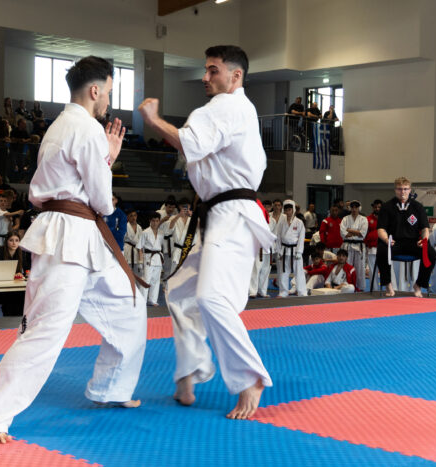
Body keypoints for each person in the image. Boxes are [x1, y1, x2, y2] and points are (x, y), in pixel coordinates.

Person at [0, 56, 146, 444]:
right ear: (95, 90)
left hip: (79, 236)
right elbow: (102, 199)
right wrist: (108, 159)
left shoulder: (61, 126)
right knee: (46, 330)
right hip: (68, 235)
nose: (108, 100)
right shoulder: (86, 129)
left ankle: (111, 387)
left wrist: (104, 158)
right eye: (109, 92)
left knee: (129, 303)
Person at [138, 45, 275, 419]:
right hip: (219, 212)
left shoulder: (226, 105)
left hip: (232, 214)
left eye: (213, 70)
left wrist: (153, 120)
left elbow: (190, 142)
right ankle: (190, 371)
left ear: (235, 76)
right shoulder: (233, 109)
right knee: (180, 292)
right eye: (206, 70)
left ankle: (249, 378)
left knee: (212, 297)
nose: (205, 77)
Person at [376, 177, 436, 297]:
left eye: (405, 189)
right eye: (399, 189)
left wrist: (424, 240)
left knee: (431, 254)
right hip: (394, 242)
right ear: (395, 190)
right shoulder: (387, 207)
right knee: (382, 251)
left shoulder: (418, 207)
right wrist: (387, 240)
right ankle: (388, 285)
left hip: (414, 243)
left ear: (410, 190)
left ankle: (419, 285)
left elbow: (425, 228)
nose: (402, 192)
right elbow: (381, 229)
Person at [0, 231, 30, 316]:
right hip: (2, 286)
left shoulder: (21, 252)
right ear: (6, 241)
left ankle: (18, 318)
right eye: (11, 240)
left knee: (22, 294)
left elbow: (26, 268)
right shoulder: (0, 252)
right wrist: (13, 275)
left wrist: (24, 274)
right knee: (12, 297)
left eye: (17, 240)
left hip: (16, 285)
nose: (14, 243)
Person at [276, 200, 306, 297]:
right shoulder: (281, 222)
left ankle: (302, 292)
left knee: (299, 272)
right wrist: (279, 251)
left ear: (293, 210)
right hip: (284, 250)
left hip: (295, 250)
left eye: (289, 210)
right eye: (286, 210)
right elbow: (278, 237)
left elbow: (301, 238)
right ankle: (283, 292)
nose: (288, 212)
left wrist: (299, 251)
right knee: (283, 272)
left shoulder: (299, 222)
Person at [137, 211, 164, 306]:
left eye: (157, 221)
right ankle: (142, 300)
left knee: (156, 280)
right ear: (150, 221)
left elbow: (161, 247)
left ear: (159, 221)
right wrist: (140, 261)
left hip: (158, 258)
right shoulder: (145, 232)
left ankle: (152, 300)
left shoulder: (161, 233)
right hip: (148, 258)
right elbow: (139, 248)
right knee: (146, 279)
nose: (155, 223)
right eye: (153, 221)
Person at [339, 200, 368, 291]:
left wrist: (349, 230)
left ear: (359, 208)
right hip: (347, 245)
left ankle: (359, 287)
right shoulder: (345, 219)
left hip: (359, 246)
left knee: (360, 268)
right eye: (352, 207)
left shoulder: (363, 219)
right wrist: (356, 232)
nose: (354, 209)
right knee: (347, 267)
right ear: (350, 208)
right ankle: (346, 287)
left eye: (356, 207)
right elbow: (343, 233)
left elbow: (362, 234)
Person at [0, 194, 20, 259]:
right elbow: (5, 215)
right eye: (1, 201)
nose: (3, 202)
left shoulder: (9, 213)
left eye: (5, 201)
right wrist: (17, 212)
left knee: (5, 259)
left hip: (5, 240)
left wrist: (10, 221)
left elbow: (10, 230)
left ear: (7, 203)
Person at [365, 199, 382, 290]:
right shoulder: (367, 219)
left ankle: (387, 289)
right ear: (373, 207)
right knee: (372, 271)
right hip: (372, 248)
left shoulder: (385, 218)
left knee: (385, 270)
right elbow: (364, 233)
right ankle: (374, 289)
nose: (377, 209)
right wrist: (367, 244)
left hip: (383, 248)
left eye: (379, 207)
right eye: (375, 207)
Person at [124, 209, 142, 275]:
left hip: (137, 252)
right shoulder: (125, 226)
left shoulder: (139, 228)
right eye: (131, 216)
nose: (133, 217)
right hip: (127, 250)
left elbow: (141, 243)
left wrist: (141, 259)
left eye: (135, 215)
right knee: (127, 273)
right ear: (127, 217)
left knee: (137, 274)